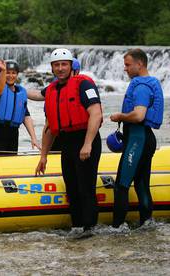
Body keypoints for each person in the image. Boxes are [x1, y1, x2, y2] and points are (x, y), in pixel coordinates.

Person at [35, 49, 103, 238]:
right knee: (71, 186)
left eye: (64, 64)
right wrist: (43, 156)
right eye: (56, 65)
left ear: (71, 65)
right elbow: (49, 128)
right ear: (52, 68)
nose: (60, 68)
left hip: (86, 139)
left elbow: (95, 113)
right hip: (68, 143)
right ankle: (77, 227)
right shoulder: (52, 91)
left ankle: (90, 229)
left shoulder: (84, 84)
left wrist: (88, 143)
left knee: (85, 186)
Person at [110, 48, 164, 228]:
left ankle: (117, 228)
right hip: (144, 138)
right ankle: (146, 225)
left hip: (137, 139)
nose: (125, 69)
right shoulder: (149, 83)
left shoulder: (141, 87)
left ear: (139, 64)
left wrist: (120, 116)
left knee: (122, 185)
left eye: (127, 64)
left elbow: (139, 116)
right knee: (141, 184)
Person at [0, 59, 40, 155]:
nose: (10, 76)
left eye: (13, 73)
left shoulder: (20, 93)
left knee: (10, 165)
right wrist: (3, 70)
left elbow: (26, 116)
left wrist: (34, 138)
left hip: (13, 134)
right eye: (7, 73)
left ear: (17, 74)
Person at [27, 58, 81, 151]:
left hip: (72, 135)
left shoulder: (80, 85)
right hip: (58, 134)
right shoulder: (55, 87)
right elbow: (39, 95)